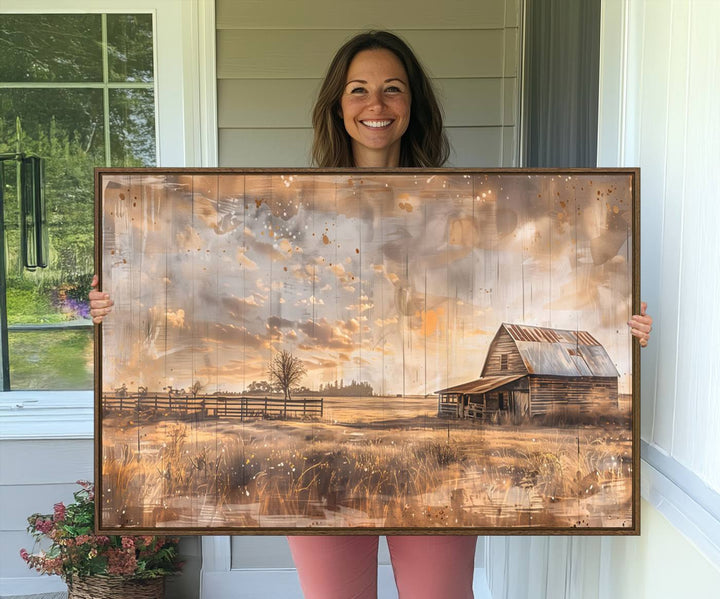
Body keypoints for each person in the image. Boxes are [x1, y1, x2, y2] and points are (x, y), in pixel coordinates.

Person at [89, 30, 653, 599]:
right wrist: (121, 304)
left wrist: (621, 330)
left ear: (413, 105)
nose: (376, 105)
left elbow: (540, 282)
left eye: (392, 89)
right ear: (338, 104)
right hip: (318, 468)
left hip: (435, 479)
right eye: (359, 90)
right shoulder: (297, 206)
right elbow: (205, 287)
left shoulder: (462, 204)